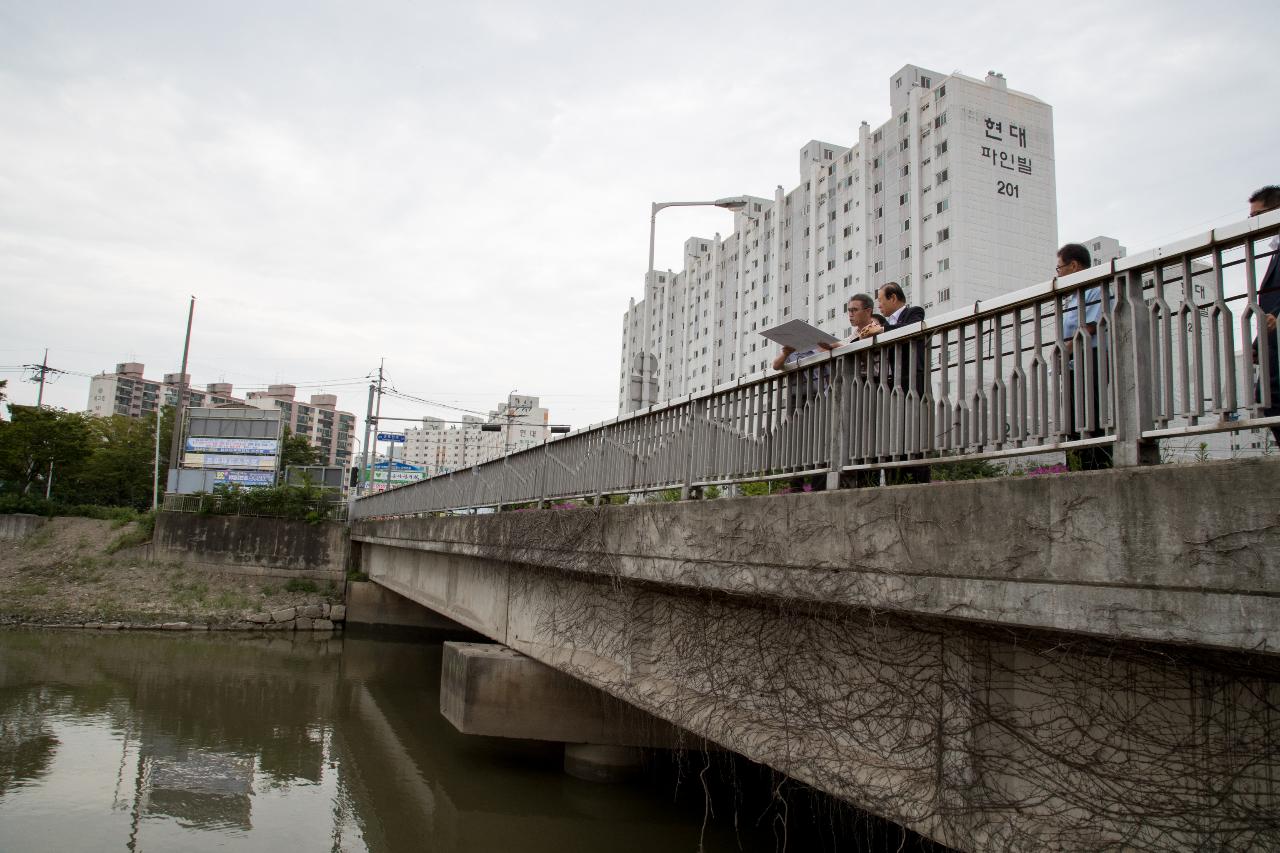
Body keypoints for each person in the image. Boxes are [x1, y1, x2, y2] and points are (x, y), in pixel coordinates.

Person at [860, 282, 930, 483]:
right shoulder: (883, 323)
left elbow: (910, 329)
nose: (879, 306)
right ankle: (895, 478)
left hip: (913, 381)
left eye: (881, 301)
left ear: (893, 297)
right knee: (895, 432)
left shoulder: (914, 312)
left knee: (915, 431)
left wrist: (880, 331)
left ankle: (918, 479)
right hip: (891, 384)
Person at [1056, 242, 1111, 469]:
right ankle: (1076, 464)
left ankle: (1096, 465)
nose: (1058, 273)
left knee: (1092, 412)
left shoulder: (1096, 288)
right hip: (1073, 360)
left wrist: (1065, 348)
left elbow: (1090, 326)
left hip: (1092, 356)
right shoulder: (1074, 296)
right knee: (1073, 414)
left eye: (1059, 268)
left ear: (1074, 265)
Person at [1249, 185, 1280, 444]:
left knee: (1271, 398)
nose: (1253, 223)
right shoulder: (1276, 249)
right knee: (1267, 400)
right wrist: (1258, 344)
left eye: (1258, 215)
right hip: (1273, 345)